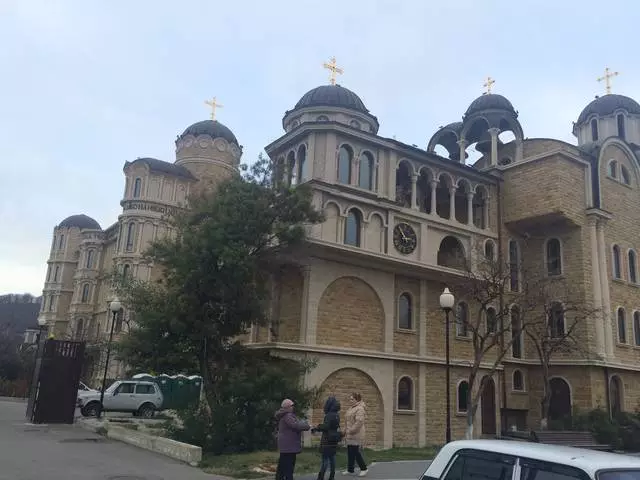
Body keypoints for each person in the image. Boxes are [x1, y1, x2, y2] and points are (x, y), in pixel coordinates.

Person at [275, 398, 311, 480]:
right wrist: (307, 426)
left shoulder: (284, 415)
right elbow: (296, 425)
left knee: (282, 466)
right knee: (289, 467)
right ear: (287, 407)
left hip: (286, 445)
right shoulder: (288, 416)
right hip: (289, 446)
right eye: (291, 406)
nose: (293, 407)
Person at [311, 396, 343, 480]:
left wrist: (317, 427)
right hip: (334, 440)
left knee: (325, 460)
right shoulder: (337, 415)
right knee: (332, 459)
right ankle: (332, 476)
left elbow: (326, 427)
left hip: (327, 440)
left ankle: (321, 477)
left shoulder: (329, 415)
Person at [343, 392, 368, 476]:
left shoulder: (360, 409)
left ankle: (364, 468)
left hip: (356, 433)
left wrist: (351, 430)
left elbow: (359, 422)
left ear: (357, 399)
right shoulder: (351, 408)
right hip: (350, 433)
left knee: (355, 451)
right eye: (350, 399)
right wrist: (345, 430)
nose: (350, 400)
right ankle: (350, 469)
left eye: (352, 399)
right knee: (350, 451)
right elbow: (347, 421)